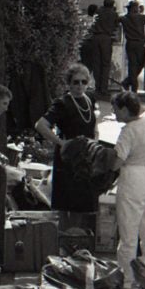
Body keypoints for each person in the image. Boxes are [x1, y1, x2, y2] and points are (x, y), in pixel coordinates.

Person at [35, 64, 103, 213]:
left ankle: (83, 233)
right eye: (75, 82)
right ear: (69, 83)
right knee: (68, 199)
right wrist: (61, 142)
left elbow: (93, 124)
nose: (80, 86)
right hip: (68, 157)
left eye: (83, 82)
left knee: (86, 199)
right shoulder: (62, 103)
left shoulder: (89, 98)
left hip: (87, 156)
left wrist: (95, 141)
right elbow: (41, 125)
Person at [111, 92, 145, 272]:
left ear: (125, 109)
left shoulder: (128, 131)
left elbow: (117, 162)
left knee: (128, 235)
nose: (114, 114)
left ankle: (126, 280)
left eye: (116, 110)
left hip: (132, 179)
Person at [122, 0, 145, 91]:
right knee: (141, 64)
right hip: (140, 44)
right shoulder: (141, 17)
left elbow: (116, 20)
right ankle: (131, 85)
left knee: (132, 65)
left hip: (130, 43)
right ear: (135, 8)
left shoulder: (124, 18)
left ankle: (129, 83)